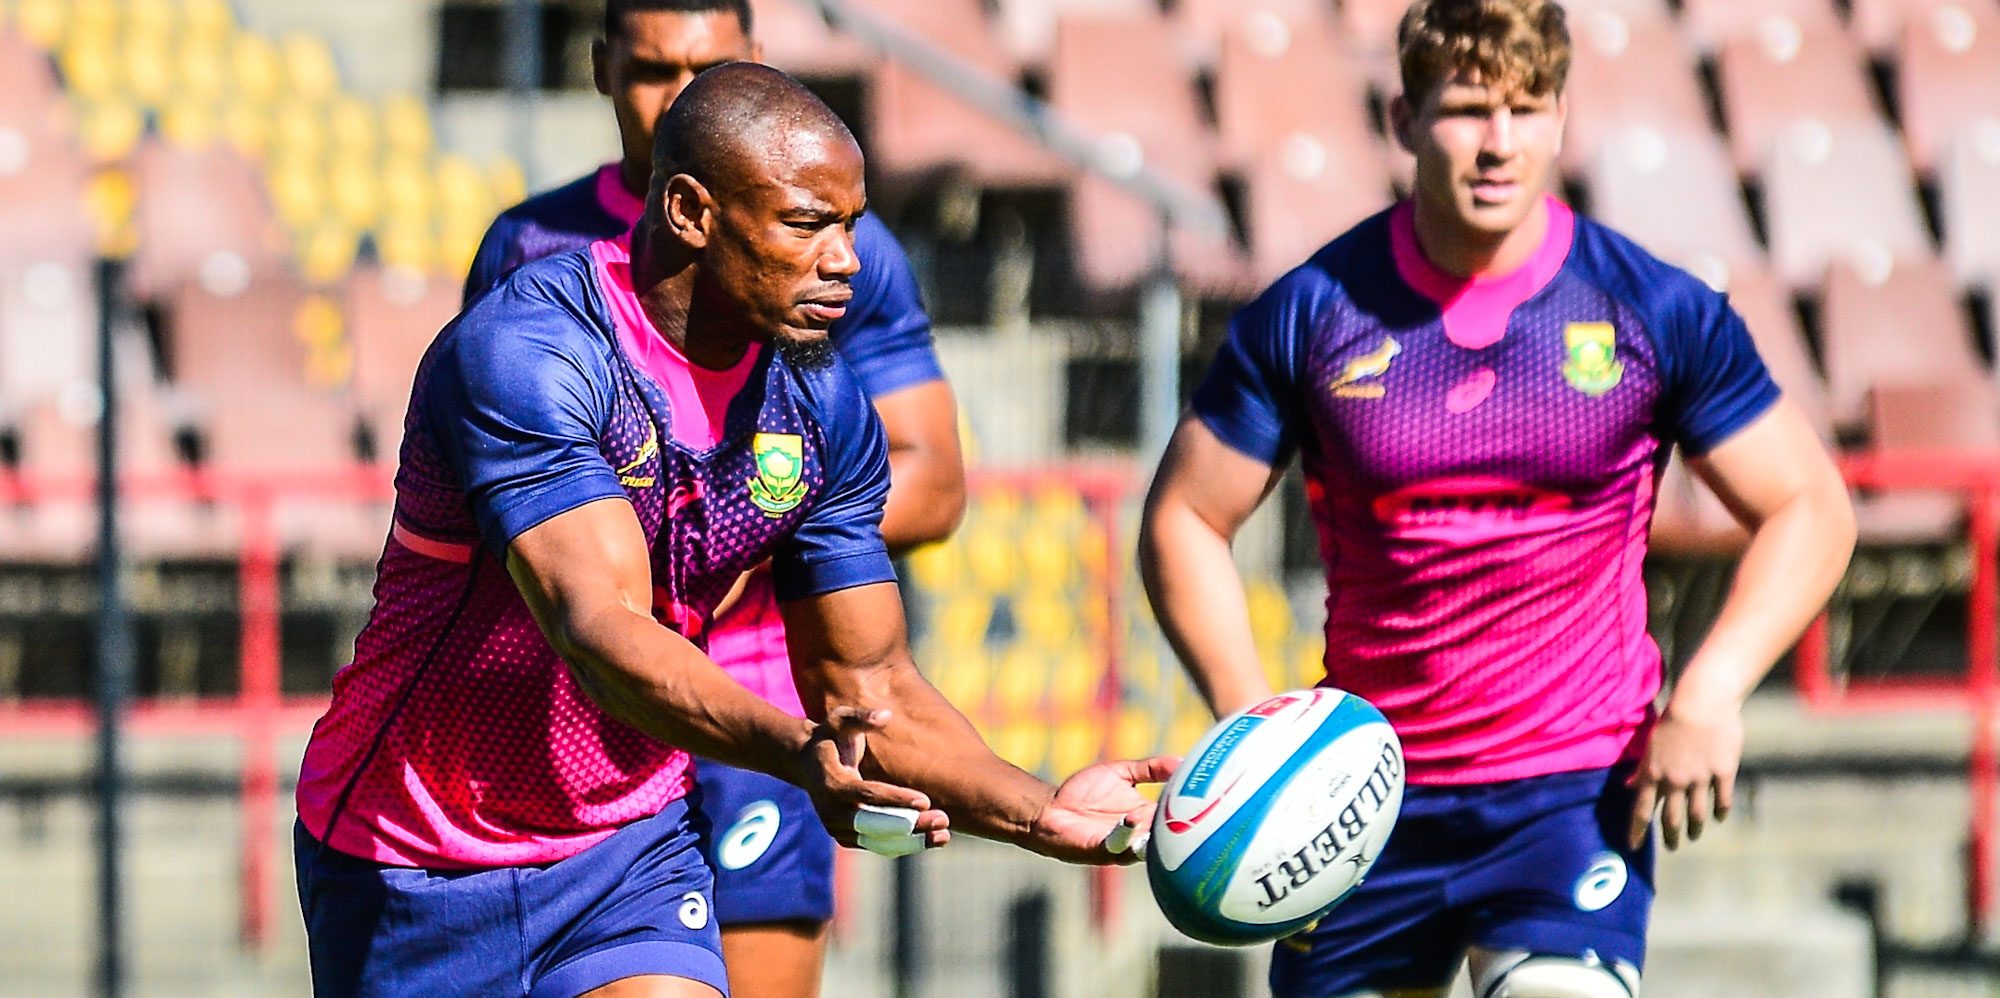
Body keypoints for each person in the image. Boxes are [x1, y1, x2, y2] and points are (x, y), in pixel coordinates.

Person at [296, 63, 1167, 998]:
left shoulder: (823, 400)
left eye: (851, 224)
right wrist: (799, 752)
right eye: (806, 223)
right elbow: (603, 633)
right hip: (413, 851)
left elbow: (870, 686)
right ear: (689, 211)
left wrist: (1042, 812)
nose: (846, 260)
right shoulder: (530, 352)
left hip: (626, 850)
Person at [1136, 1, 1856, 995]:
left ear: (1561, 118)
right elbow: (1184, 515)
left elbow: (1808, 506)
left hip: (1570, 792)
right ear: (1401, 119)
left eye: (1526, 108)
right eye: (1468, 109)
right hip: (1358, 798)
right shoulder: (1311, 310)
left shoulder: (1651, 307)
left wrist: (1712, 688)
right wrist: (1254, 733)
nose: (1497, 143)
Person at [463, 4, 966, 997]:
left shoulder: (828, 247)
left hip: (760, 692)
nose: (680, 94)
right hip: (571, 712)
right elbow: (490, 481)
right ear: (603, 68)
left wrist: (733, 540)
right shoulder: (528, 248)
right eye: (653, 69)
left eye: (711, 66)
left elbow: (932, 478)